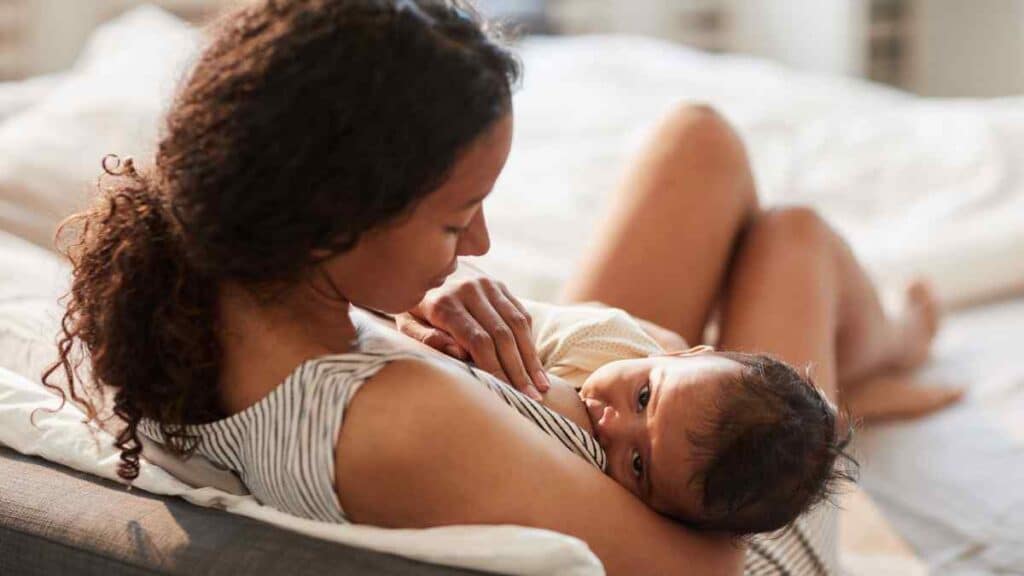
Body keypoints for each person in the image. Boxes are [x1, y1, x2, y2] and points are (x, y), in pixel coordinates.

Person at [42, 1, 959, 574]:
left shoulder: (201, 285)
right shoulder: (399, 421)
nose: (479, 241)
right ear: (332, 219)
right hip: (731, 515)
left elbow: (492, 411)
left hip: (580, 418)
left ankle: (856, 362)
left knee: (699, 140)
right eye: (454, 218)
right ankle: (868, 360)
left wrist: (407, 312)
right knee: (792, 239)